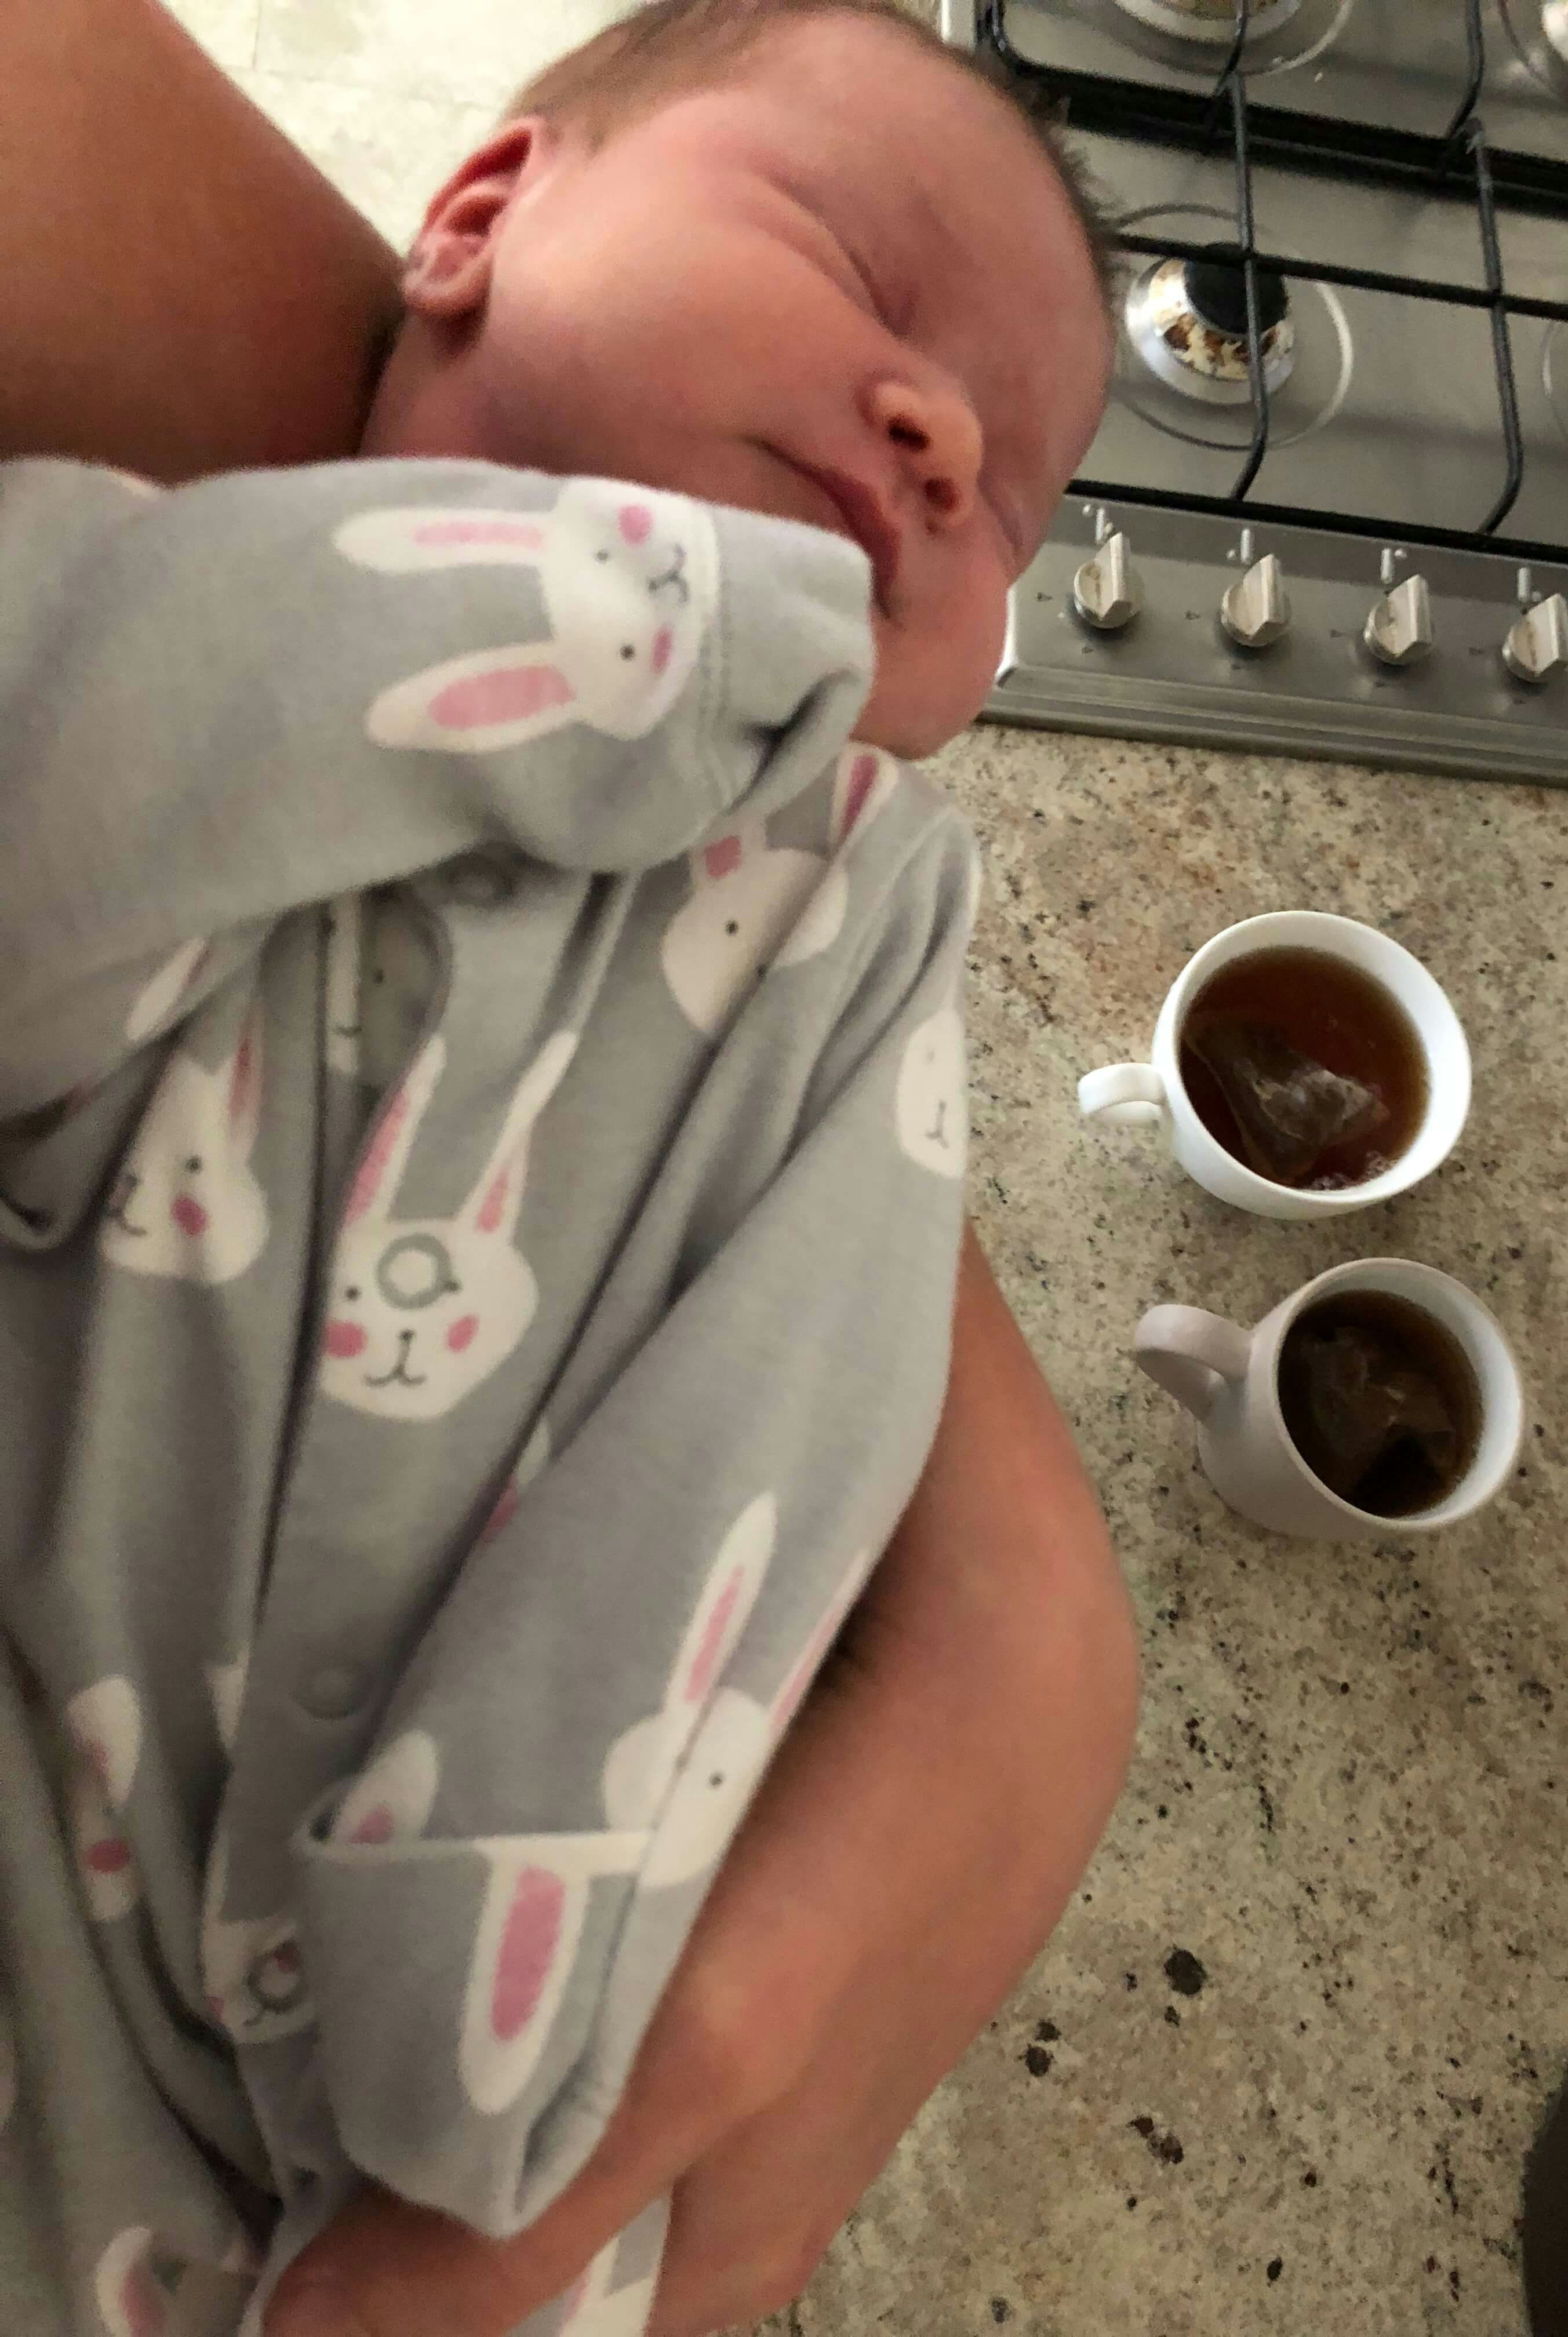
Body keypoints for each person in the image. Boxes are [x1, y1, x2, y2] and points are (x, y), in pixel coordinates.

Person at [0, 5, 1140, 2335]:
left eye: (1010, 494)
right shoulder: (203, 600)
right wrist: (642, 622)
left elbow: (781, 1426)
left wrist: (518, 2087)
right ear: (484, 218)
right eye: (853, 267)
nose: (941, 434)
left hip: (514, 2040)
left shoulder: (852, 910)